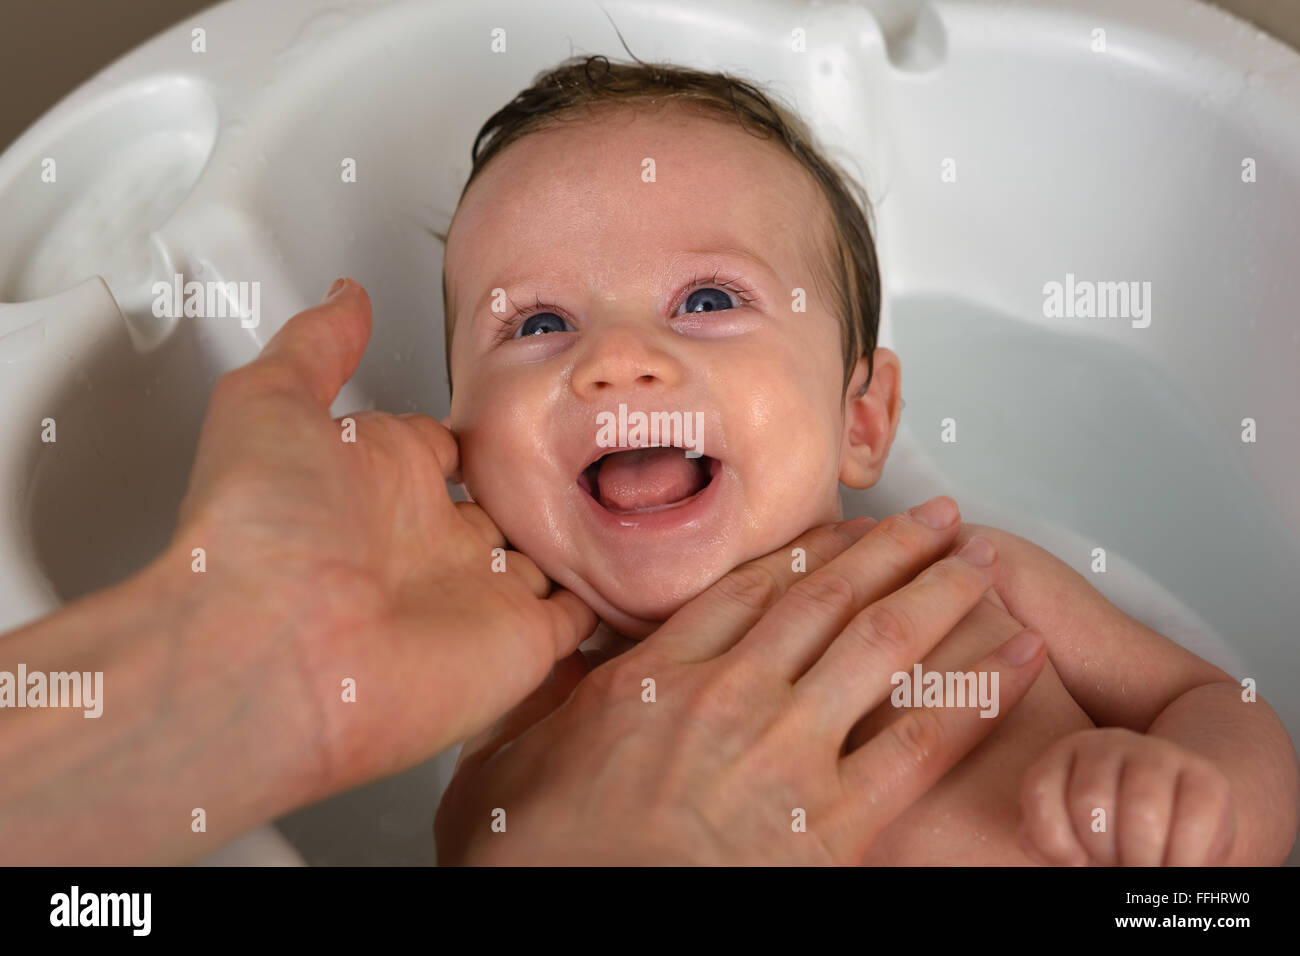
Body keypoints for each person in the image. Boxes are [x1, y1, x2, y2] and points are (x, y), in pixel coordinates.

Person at [0, 280, 1047, 865]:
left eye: (709, 297)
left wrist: (1192, 797)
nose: (618, 357)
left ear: (859, 415)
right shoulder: (513, 756)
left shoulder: (956, 577)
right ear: (465, 439)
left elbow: (1197, 708)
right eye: (538, 323)